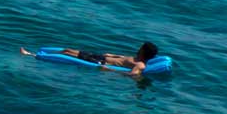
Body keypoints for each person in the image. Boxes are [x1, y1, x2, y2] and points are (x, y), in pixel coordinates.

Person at [21, 42, 159, 77]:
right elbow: (122, 59)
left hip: (100, 62)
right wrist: (112, 55)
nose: (138, 47)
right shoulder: (136, 58)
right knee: (67, 50)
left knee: (66, 55)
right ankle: (41, 52)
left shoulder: (140, 65)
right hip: (100, 56)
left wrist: (108, 70)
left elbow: (132, 75)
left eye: (141, 47)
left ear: (144, 51)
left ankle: (30, 54)